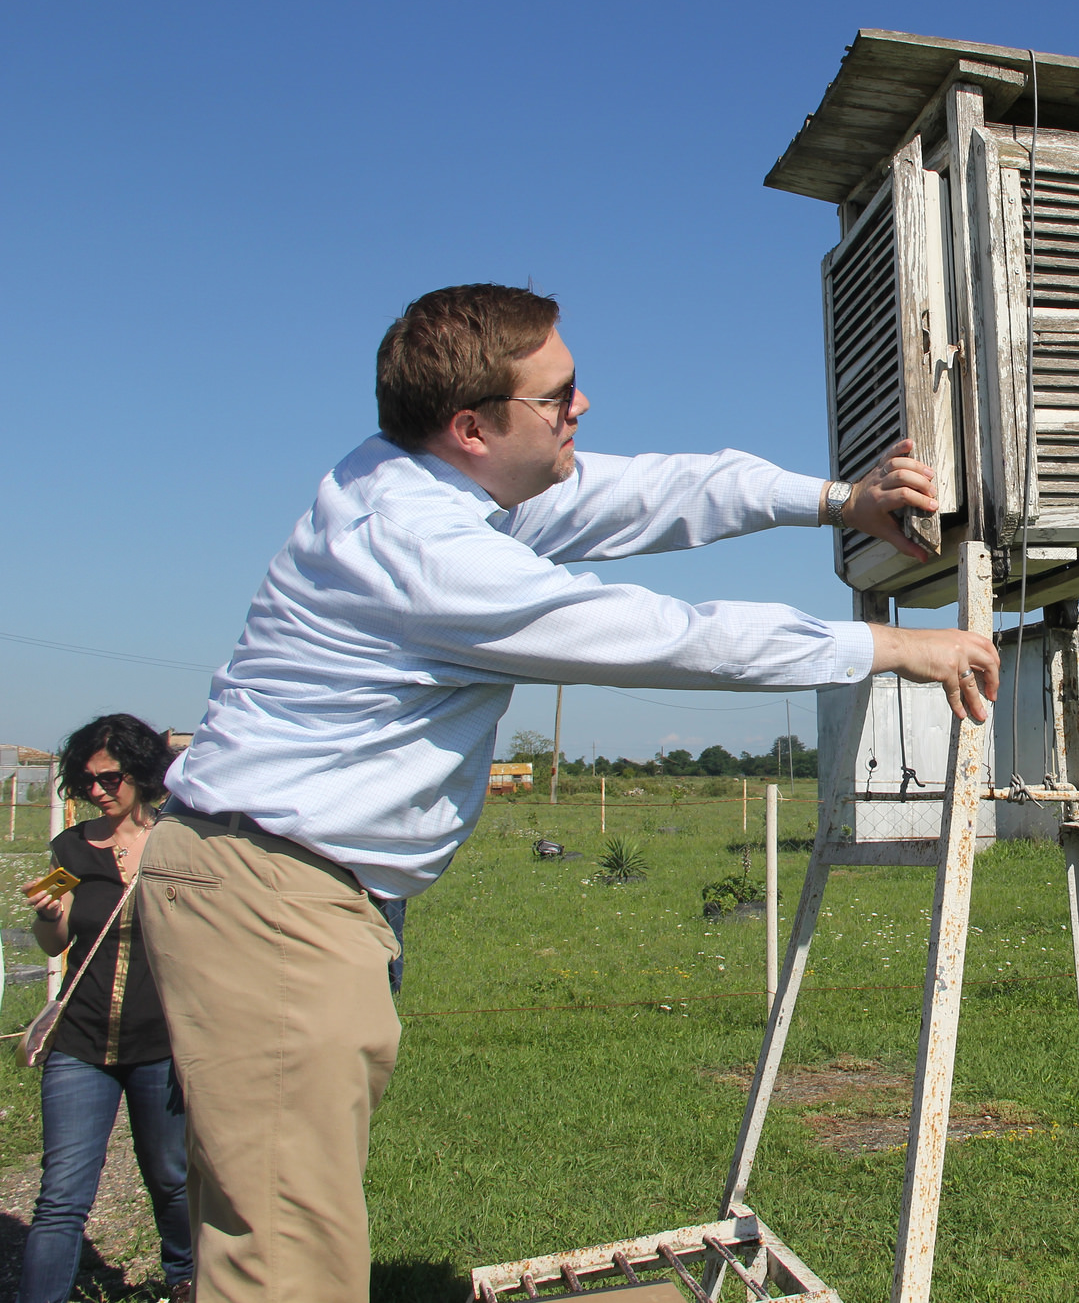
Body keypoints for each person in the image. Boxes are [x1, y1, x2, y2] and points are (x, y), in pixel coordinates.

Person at [140, 283, 1000, 1303]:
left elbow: (655, 491)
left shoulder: (424, 479)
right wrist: (889, 647)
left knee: (285, 1220)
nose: (581, 407)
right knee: (288, 1262)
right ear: (471, 427)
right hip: (275, 900)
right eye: (557, 396)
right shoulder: (426, 550)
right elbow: (663, 639)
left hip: (282, 886)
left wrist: (833, 499)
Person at [20, 714, 193, 1303]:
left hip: (160, 1043)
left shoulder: (179, 842)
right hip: (79, 1042)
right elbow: (54, 943)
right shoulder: (70, 848)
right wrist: (48, 916)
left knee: (171, 1178)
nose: (97, 790)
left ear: (140, 773)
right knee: (61, 1196)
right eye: (87, 779)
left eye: (110, 778)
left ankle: (187, 1281)